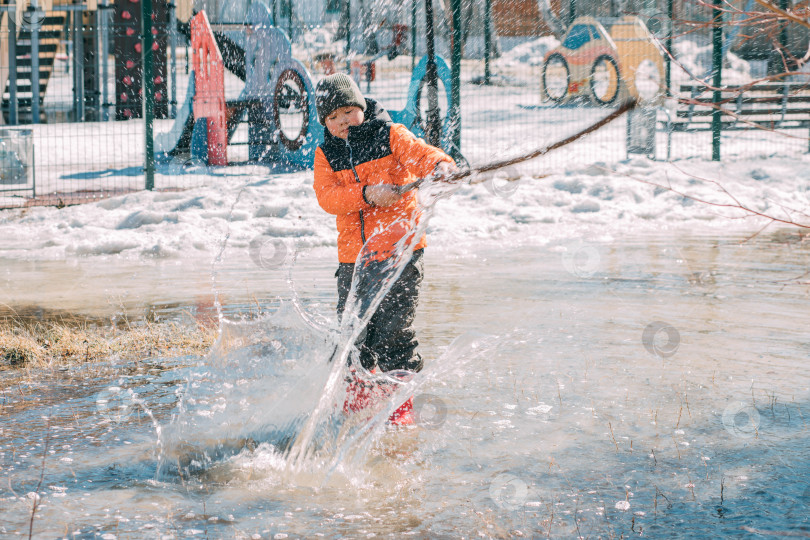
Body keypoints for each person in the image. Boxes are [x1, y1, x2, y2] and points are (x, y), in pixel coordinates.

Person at [313, 73, 456, 425]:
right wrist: (366, 195)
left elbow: (421, 153)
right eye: (333, 117)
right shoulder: (326, 152)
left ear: (361, 107)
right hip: (354, 260)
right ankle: (358, 402)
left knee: (394, 331)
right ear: (325, 124)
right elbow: (327, 197)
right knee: (352, 336)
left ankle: (401, 409)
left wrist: (440, 165)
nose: (343, 121)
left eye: (348, 110)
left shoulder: (389, 133)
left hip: (401, 253)